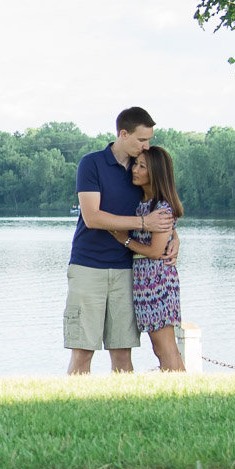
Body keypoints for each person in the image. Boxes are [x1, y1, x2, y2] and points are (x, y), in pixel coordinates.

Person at [65, 106, 177, 374]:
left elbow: (157, 204)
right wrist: (142, 224)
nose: (146, 145)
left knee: (123, 353)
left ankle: (123, 407)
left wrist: (173, 235)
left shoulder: (141, 169)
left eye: (149, 139)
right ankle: (71, 407)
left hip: (128, 271)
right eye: (141, 140)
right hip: (88, 267)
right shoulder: (91, 163)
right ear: (123, 134)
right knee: (82, 352)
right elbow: (92, 217)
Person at [119, 145, 185, 371]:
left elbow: (156, 251)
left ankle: (183, 393)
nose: (134, 170)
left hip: (157, 281)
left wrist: (124, 240)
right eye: (135, 164)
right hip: (144, 280)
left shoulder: (162, 208)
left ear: (155, 172)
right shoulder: (143, 203)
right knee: (163, 346)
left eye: (142, 166)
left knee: (164, 346)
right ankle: (186, 392)